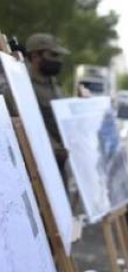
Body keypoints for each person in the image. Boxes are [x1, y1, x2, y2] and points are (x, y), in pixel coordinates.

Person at [25, 33, 70, 187]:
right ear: (35, 56)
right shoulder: (21, 86)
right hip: (36, 170)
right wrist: (53, 148)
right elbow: (26, 125)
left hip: (59, 167)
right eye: (53, 55)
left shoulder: (55, 87)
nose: (58, 60)